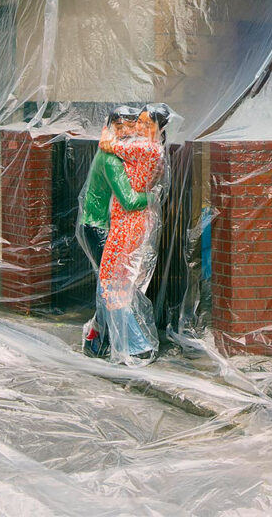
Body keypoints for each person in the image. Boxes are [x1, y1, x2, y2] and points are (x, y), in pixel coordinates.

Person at [96, 104, 169, 364]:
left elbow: (107, 144)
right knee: (118, 283)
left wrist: (108, 129)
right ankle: (107, 339)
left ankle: (137, 345)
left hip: (130, 223)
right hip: (131, 222)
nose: (135, 127)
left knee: (112, 284)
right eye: (135, 122)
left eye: (142, 123)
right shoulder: (151, 150)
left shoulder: (146, 148)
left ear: (156, 128)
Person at [78, 107, 150, 357]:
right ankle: (136, 345)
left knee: (106, 286)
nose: (127, 133)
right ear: (111, 128)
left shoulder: (114, 152)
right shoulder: (111, 160)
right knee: (114, 289)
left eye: (131, 127)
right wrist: (154, 196)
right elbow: (129, 200)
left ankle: (97, 337)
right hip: (100, 229)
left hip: (100, 227)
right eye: (120, 128)